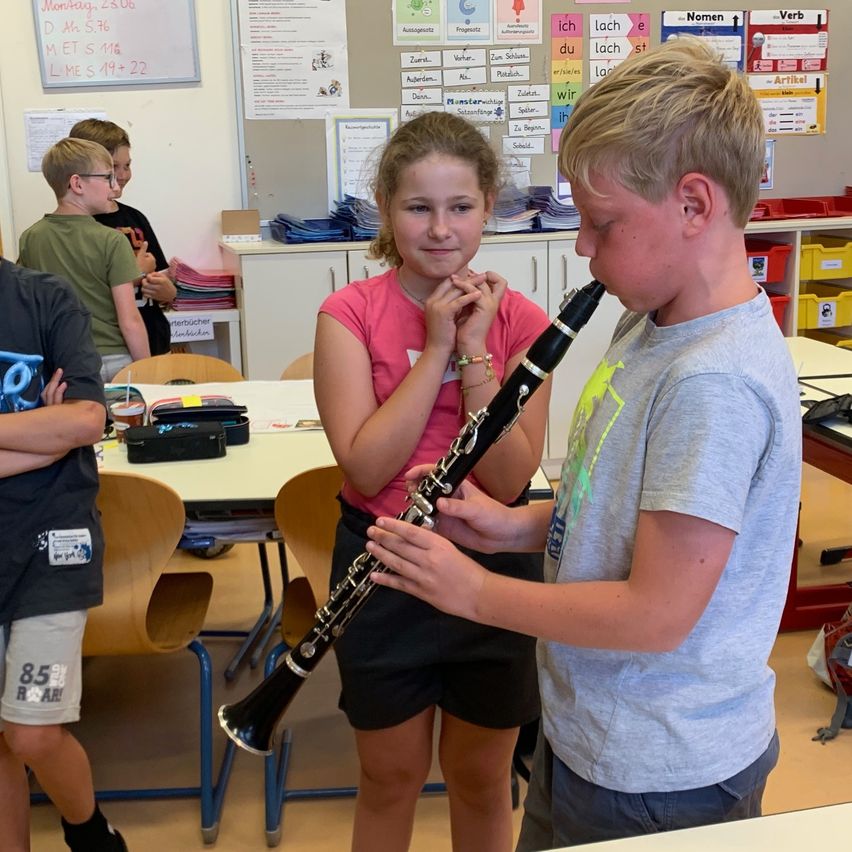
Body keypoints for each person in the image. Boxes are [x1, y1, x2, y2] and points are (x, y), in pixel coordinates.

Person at [365, 38, 803, 849]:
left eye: (601, 224)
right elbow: (616, 509)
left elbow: (656, 612)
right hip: (589, 730)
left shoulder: (715, 383)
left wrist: (473, 591)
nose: (581, 249)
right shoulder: (649, 324)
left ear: (695, 205)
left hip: (660, 771)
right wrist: (514, 528)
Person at [313, 110, 551, 852]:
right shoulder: (346, 314)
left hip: (492, 566)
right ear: (386, 209)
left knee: (484, 780)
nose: (441, 229)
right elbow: (366, 464)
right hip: (384, 565)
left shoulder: (524, 320)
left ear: (489, 208)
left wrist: (476, 349)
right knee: (390, 779)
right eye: (419, 207)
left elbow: (510, 479)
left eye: (461, 207)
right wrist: (436, 347)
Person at [0, 255, 127, 851]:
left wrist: (63, 430)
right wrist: (39, 437)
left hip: (53, 550)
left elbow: (84, 419)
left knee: (31, 731)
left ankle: (89, 830)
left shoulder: (45, 298)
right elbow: (61, 431)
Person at [17, 137, 150, 382]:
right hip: (113, 362)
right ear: (77, 183)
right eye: (107, 177)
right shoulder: (112, 241)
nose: (115, 187)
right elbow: (130, 320)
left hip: (62, 363)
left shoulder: (30, 238)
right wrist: (148, 374)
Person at [69, 118, 177, 356]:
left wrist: (168, 292)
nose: (121, 175)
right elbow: (84, 295)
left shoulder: (135, 218)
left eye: (126, 166)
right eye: (111, 168)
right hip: (109, 353)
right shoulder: (74, 228)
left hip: (154, 343)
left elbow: (160, 278)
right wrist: (135, 273)